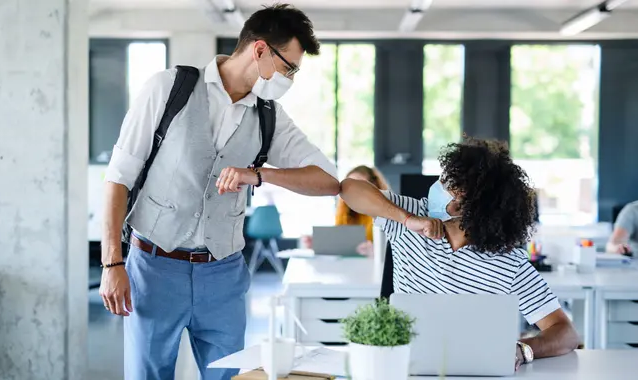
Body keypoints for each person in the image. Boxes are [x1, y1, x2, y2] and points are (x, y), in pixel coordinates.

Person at [99, 4, 339, 380]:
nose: (290, 78)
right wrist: (112, 263)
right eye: (289, 67)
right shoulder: (168, 89)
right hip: (153, 267)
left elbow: (329, 180)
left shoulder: (268, 116)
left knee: (230, 377)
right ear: (260, 50)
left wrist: (259, 175)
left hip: (223, 274)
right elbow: (118, 179)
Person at [339, 138, 579, 371]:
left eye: (446, 183)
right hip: (405, 366)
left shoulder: (509, 263)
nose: (438, 185)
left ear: (463, 204)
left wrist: (523, 349)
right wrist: (407, 219)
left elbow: (566, 333)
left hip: (475, 370)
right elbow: (349, 189)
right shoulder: (411, 213)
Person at [334, 165, 389, 256]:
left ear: (375, 187)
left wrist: (377, 251)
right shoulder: (343, 208)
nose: (353, 192)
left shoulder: (387, 213)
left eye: (360, 186)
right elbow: (337, 239)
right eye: (348, 187)